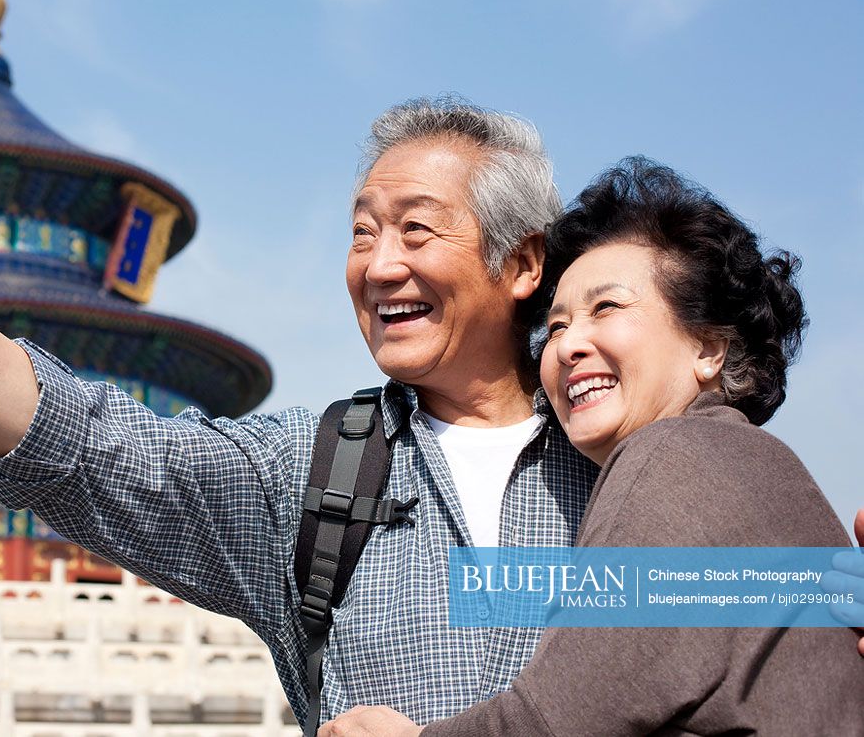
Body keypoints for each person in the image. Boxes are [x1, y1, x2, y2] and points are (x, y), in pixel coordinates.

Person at [0, 97, 864, 731]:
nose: (378, 264)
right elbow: (86, 450)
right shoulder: (313, 471)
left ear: (521, 258)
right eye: (359, 229)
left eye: (417, 229)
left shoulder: (634, 468)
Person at [318, 159, 864, 736]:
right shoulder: (748, 467)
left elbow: (560, 718)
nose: (569, 345)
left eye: (606, 308)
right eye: (554, 327)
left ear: (708, 347)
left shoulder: (676, 453)